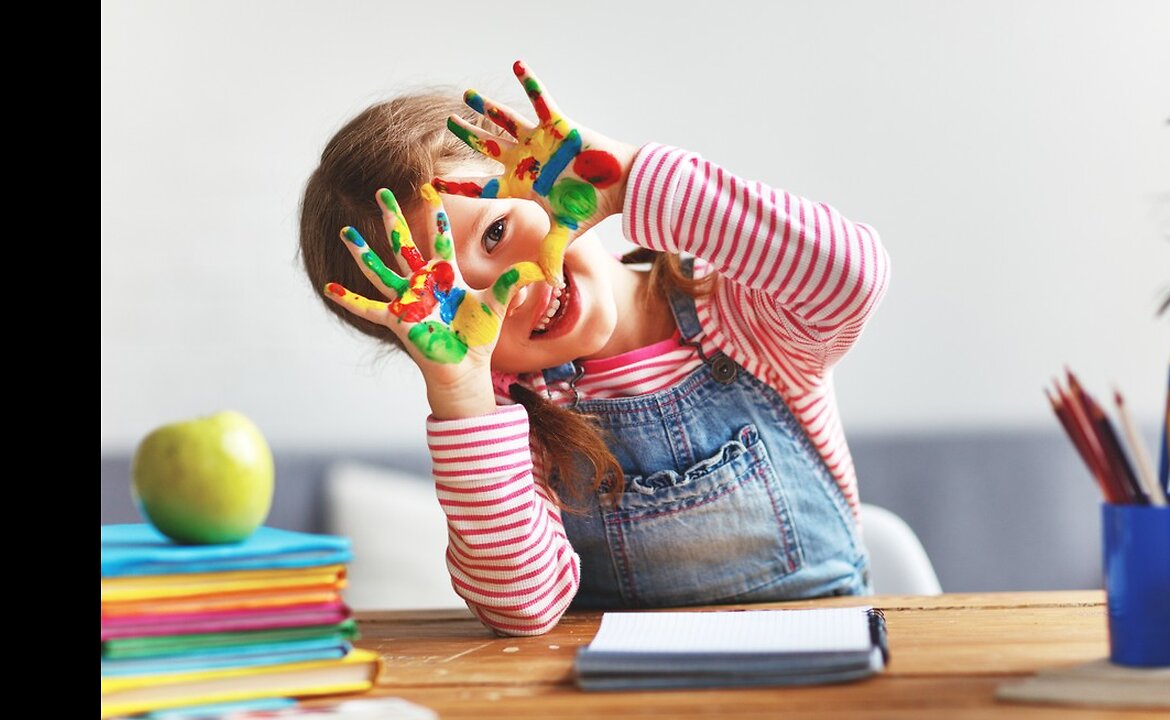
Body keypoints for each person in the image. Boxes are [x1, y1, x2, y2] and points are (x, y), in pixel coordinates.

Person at [299, 62, 890, 636]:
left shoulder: (738, 311)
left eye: (495, 232)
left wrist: (628, 178)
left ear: (545, 180)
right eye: (450, 299)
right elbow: (521, 608)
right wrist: (462, 394)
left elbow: (849, 277)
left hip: (826, 652)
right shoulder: (510, 417)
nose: (512, 286)